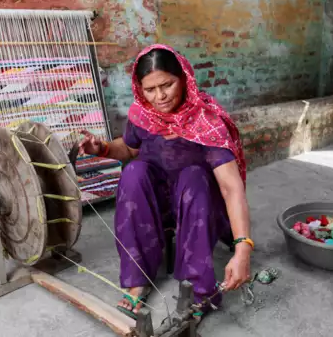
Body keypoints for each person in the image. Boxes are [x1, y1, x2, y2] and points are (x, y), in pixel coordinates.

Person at [78, 44, 253, 322]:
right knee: (134, 172)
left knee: (194, 177)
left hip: (200, 204)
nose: (159, 97)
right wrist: (103, 149)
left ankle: (198, 290)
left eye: (167, 85)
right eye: (150, 90)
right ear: (140, 89)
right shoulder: (142, 115)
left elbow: (231, 187)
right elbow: (130, 149)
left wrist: (243, 248)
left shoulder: (206, 122)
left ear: (183, 77)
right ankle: (138, 279)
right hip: (156, 203)